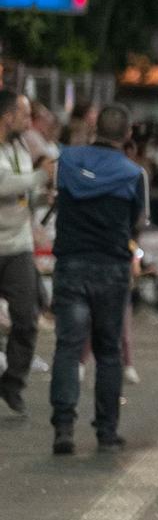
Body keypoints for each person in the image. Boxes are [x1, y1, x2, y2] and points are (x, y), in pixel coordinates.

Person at [50, 102, 147, 455]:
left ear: (95, 130)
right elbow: (138, 221)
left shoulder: (68, 160)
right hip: (111, 268)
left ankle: (63, 427)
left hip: (71, 263)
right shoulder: (133, 174)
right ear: (128, 134)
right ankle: (106, 432)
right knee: (108, 351)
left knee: (68, 345)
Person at [0, 92, 53, 417]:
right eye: (23, 114)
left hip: (18, 246)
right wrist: (40, 176)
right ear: (6, 115)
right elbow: (4, 184)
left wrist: (40, 195)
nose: (28, 121)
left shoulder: (20, 147)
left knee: (27, 316)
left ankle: (13, 382)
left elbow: (19, 191)